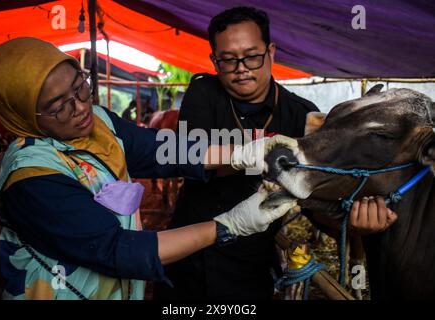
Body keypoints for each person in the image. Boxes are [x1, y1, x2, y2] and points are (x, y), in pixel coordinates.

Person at [0, 37, 297, 300]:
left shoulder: (99, 123)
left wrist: (244, 153)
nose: (81, 106)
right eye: (58, 106)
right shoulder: (31, 179)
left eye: (80, 86)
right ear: (23, 114)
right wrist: (229, 225)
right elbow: (117, 250)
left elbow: (160, 149)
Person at [154, 7, 397, 300]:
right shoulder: (203, 93)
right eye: (229, 59)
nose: (241, 67)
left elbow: (315, 202)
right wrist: (265, 150)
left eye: (252, 55)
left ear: (271, 52)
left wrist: (354, 226)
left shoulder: (302, 115)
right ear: (214, 61)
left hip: (251, 263)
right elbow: (195, 158)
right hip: (188, 252)